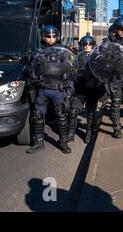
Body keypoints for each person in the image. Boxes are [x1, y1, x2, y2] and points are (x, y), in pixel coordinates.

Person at [27, 25, 75, 154]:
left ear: (58, 36)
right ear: (43, 36)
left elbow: (71, 72)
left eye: (54, 35)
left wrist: (70, 90)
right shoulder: (38, 51)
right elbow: (32, 70)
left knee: (61, 116)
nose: (51, 38)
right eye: (48, 36)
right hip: (42, 89)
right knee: (37, 115)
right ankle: (38, 141)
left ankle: (63, 141)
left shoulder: (63, 51)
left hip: (58, 89)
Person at [68, 33, 104, 144]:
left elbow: (102, 72)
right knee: (74, 110)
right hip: (81, 88)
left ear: (92, 45)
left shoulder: (97, 57)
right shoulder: (77, 57)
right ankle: (70, 133)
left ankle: (88, 133)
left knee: (91, 113)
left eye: (88, 44)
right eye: (84, 44)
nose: (86, 46)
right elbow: (72, 70)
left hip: (93, 88)